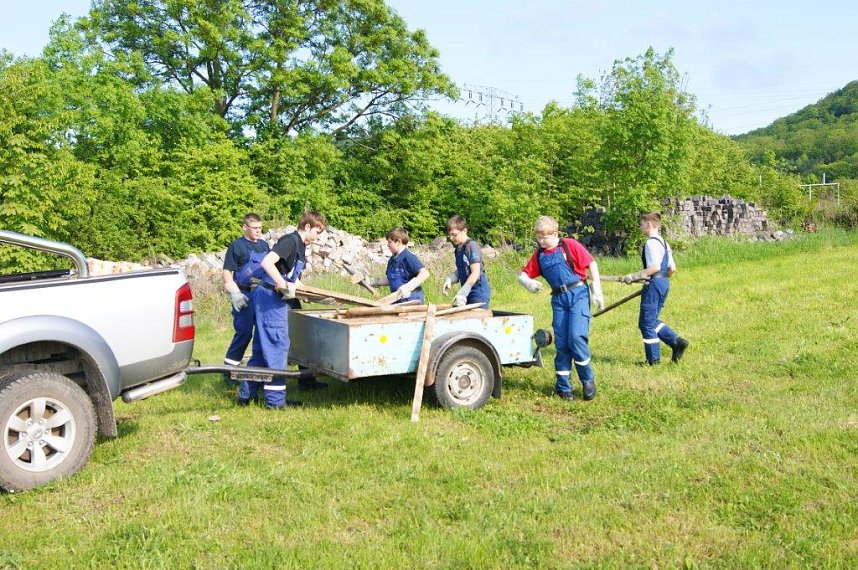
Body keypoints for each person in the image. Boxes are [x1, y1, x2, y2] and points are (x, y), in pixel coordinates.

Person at [238, 211, 327, 409]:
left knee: (262, 350)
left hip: (273, 298)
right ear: (307, 227)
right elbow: (267, 263)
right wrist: (284, 286)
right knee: (277, 345)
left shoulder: (301, 247)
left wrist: (305, 292)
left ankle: (246, 395)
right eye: (317, 232)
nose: (318, 238)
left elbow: (290, 274)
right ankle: (276, 402)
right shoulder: (290, 241)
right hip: (271, 298)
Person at [517, 216, 605, 401]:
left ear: (555, 233)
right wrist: (528, 283)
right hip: (558, 299)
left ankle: (587, 380)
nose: (542, 241)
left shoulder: (569, 245)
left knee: (576, 338)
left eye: (545, 237)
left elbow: (591, 263)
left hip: (578, 294)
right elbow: (523, 275)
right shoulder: (540, 255)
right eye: (539, 237)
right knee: (562, 343)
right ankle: (563, 386)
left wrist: (597, 290)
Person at [621, 212, 689, 365]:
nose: (640, 227)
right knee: (650, 321)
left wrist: (633, 276)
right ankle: (677, 343)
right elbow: (672, 269)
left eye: (641, 224)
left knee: (646, 323)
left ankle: (653, 360)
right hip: (663, 283)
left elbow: (654, 267)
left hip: (654, 285)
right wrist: (661, 280)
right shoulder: (664, 243)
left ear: (649, 224)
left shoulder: (651, 243)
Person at [222, 213, 270, 386]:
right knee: (243, 333)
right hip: (244, 295)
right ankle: (229, 371)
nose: (258, 231)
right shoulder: (237, 246)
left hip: (263, 295)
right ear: (245, 227)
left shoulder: (264, 245)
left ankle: (261, 371)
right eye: (255, 228)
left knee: (263, 333)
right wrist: (234, 292)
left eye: (260, 228)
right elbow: (228, 271)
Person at [442, 215, 491, 308]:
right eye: (450, 235)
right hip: (468, 291)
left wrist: (463, 292)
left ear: (464, 231)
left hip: (477, 291)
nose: (451, 238)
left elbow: (475, 272)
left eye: (454, 234)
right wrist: (450, 279)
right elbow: (463, 268)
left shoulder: (471, 246)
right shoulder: (459, 249)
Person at [370, 227, 430, 304]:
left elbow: (425, 273)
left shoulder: (408, 257)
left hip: (411, 301)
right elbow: (391, 279)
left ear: (398, 242)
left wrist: (408, 287)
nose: (388, 245)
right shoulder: (392, 260)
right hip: (396, 300)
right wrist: (373, 282)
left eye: (389, 242)